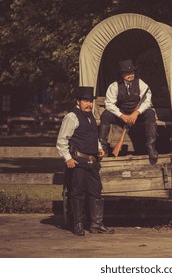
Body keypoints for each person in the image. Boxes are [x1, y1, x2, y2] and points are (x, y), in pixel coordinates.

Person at [56, 86, 113, 236]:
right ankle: (78, 224)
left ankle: (96, 224)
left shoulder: (91, 116)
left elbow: (93, 137)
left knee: (96, 193)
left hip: (93, 162)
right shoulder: (72, 117)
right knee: (78, 193)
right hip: (78, 162)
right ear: (78, 101)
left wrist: (99, 148)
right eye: (85, 101)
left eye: (90, 101)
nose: (88, 104)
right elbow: (62, 140)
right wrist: (68, 158)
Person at [99, 59, 158, 161]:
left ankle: (151, 147)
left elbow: (147, 101)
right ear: (122, 74)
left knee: (150, 113)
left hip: (137, 116)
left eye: (132, 72)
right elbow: (109, 104)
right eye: (127, 73)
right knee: (106, 115)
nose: (131, 75)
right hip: (122, 116)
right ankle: (103, 149)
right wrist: (122, 116)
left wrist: (137, 112)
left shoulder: (141, 84)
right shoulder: (114, 86)